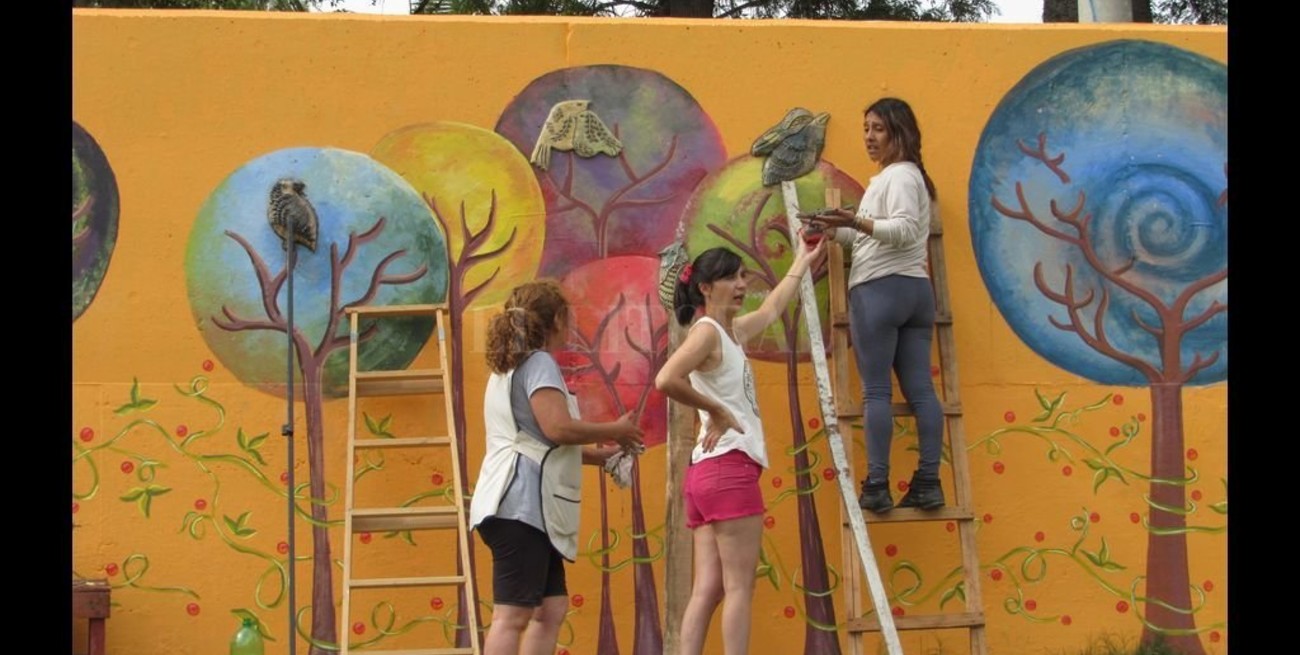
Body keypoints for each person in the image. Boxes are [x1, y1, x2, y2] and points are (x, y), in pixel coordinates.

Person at [654, 237, 825, 655]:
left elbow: (770, 310)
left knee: (708, 589)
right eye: (729, 276)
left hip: (707, 474)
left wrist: (803, 260)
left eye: (741, 275)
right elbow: (666, 379)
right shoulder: (707, 334)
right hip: (728, 469)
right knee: (738, 587)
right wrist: (716, 410)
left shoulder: (729, 331)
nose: (740, 283)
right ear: (706, 288)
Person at [468, 280, 645, 655]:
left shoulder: (509, 367)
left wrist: (600, 455)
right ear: (559, 319)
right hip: (521, 507)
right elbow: (557, 428)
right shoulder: (539, 362)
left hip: (520, 507)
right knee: (512, 616)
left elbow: (536, 439)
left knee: (550, 608)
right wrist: (616, 428)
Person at [804, 97, 945, 513]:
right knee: (921, 390)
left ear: (900, 133)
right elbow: (875, 236)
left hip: (879, 291)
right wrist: (835, 231)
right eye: (866, 128)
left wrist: (852, 221)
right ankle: (927, 481)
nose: (869, 136)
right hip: (915, 292)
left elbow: (900, 231)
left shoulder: (900, 176)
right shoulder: (897, 178)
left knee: (877, 392)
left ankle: (878, 484)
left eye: (878, 129)